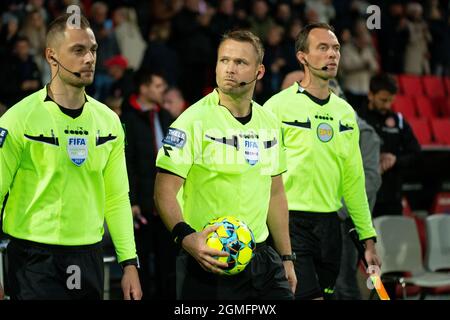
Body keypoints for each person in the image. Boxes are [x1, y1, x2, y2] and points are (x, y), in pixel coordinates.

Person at [0, 13, 141, 300]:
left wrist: (129, 263)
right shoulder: (18, 120)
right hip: (32, 259)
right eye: (78, 50)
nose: (89, 58)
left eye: (93, 50)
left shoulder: (109, 122)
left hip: (88, 256)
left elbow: (116, 197)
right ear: (51, 57)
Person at [154, 30, 297, 300]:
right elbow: (163, 191)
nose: (230, 69)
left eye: (240, 63)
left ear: (260, 71)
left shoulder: (269, 123)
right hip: (208, 258)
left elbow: (276, 193)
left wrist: (286, 256)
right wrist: (187, 238)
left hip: (262, 259)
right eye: (224, 60)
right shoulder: (192, 121)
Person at [264, 22, 381, 300]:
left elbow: (354, 181)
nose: (333, 55)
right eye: (323, 48)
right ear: (302, 56)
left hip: (331, 227)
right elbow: (260, 173)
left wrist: (369, 240)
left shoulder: (345, 113)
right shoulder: (276, 108)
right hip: (290, 223)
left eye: (336, 48)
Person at [120, 69, 175, 299]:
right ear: (144, 88)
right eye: (158, 86)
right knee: (142, 264)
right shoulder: (128, 119)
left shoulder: (165, 116)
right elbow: (126, 163)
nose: (163, 90)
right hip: (140, 205)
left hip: (165, 204)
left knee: (168, 265)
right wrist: (131, 200)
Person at [359, 74, 421, 218]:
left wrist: (395, 160)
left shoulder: (398, 121)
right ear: (370, 95)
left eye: (391, 100)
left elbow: (416, 153)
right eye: (383, 100)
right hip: (364, 196)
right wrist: (373, 159)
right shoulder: (356, 119)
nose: (387, 105)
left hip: (392, 197)